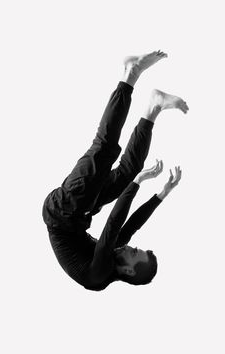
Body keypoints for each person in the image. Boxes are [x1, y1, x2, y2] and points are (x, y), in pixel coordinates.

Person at [42, 50, 189, 291]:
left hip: (64, 209)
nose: (130, 248)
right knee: (130, 169)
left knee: (105, 148)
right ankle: (153, 109)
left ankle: (129, 74)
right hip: (82, 209)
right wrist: (162, 193)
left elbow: (113, 224)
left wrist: (138, 184)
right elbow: (132, 225)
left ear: (129, 270)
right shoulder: (113, 259)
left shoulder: (99, 275)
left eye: (134, 253)